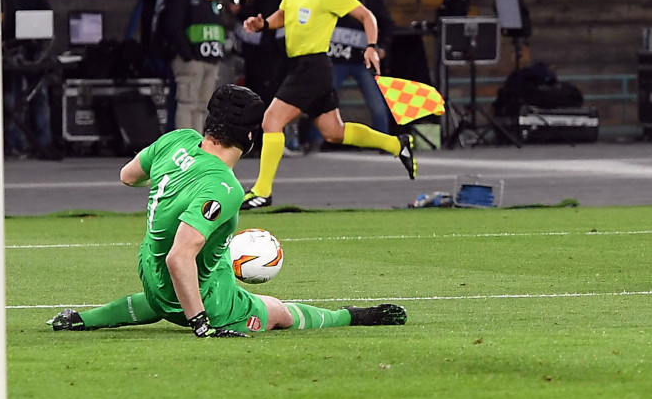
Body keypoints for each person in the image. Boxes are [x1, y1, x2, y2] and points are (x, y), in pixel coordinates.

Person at [48, 84, 407, 336]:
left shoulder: (175, 140)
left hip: (152, 278)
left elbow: (127, 176)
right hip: (200, 298)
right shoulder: (225, 187)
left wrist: (173, 177)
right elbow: (179, 258)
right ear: (250, 138)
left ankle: (83, 318)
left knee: (178, 283)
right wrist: (200, 322)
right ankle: (349, 317)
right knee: (277, 313)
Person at [239, 0, 417, 211]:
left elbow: (367, 16)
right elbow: (283, 16)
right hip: (301, 66)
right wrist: (262, 23)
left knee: (271, 121)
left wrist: (371, 46)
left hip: (313, 67)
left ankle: (262, 191)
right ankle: (397, 144)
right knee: (334, 132)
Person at [308, 0, 396, 151]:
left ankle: (385, 144)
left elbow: (388, 24)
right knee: (323, 100)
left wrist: (382, 47)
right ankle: (314, 142)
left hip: (362, 61)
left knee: (377, 104)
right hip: (336, 59)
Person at [153, 0, 225, 133]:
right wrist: (187, 54)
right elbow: (173, 25)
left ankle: (198, 147)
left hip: (209, 57)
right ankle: (185, 148)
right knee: (187, 104)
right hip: (190, 60)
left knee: (203, 106)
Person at [0, 0, 61, 160]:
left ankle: (43, 142)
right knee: (11, 98)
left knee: (39, 96)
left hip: (32, 51)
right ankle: (14, 143)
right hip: (7, 51)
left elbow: (45, 15)